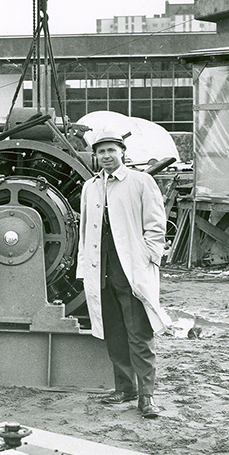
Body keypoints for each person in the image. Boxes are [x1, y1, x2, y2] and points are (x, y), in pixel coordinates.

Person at [77, 130, 168, 418]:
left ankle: (147, 396)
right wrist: (84, 266)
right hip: (101, 269)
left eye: (111, 151)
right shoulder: (90, 187)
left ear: (122, 153)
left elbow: (156, 226)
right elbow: (84, 231)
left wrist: (148, 257)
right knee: (114, 331)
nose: (105, 156)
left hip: (130, 270)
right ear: (95, 155)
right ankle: (125, 388)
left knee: (139, 334)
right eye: (100, 151)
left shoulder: (141, 182)